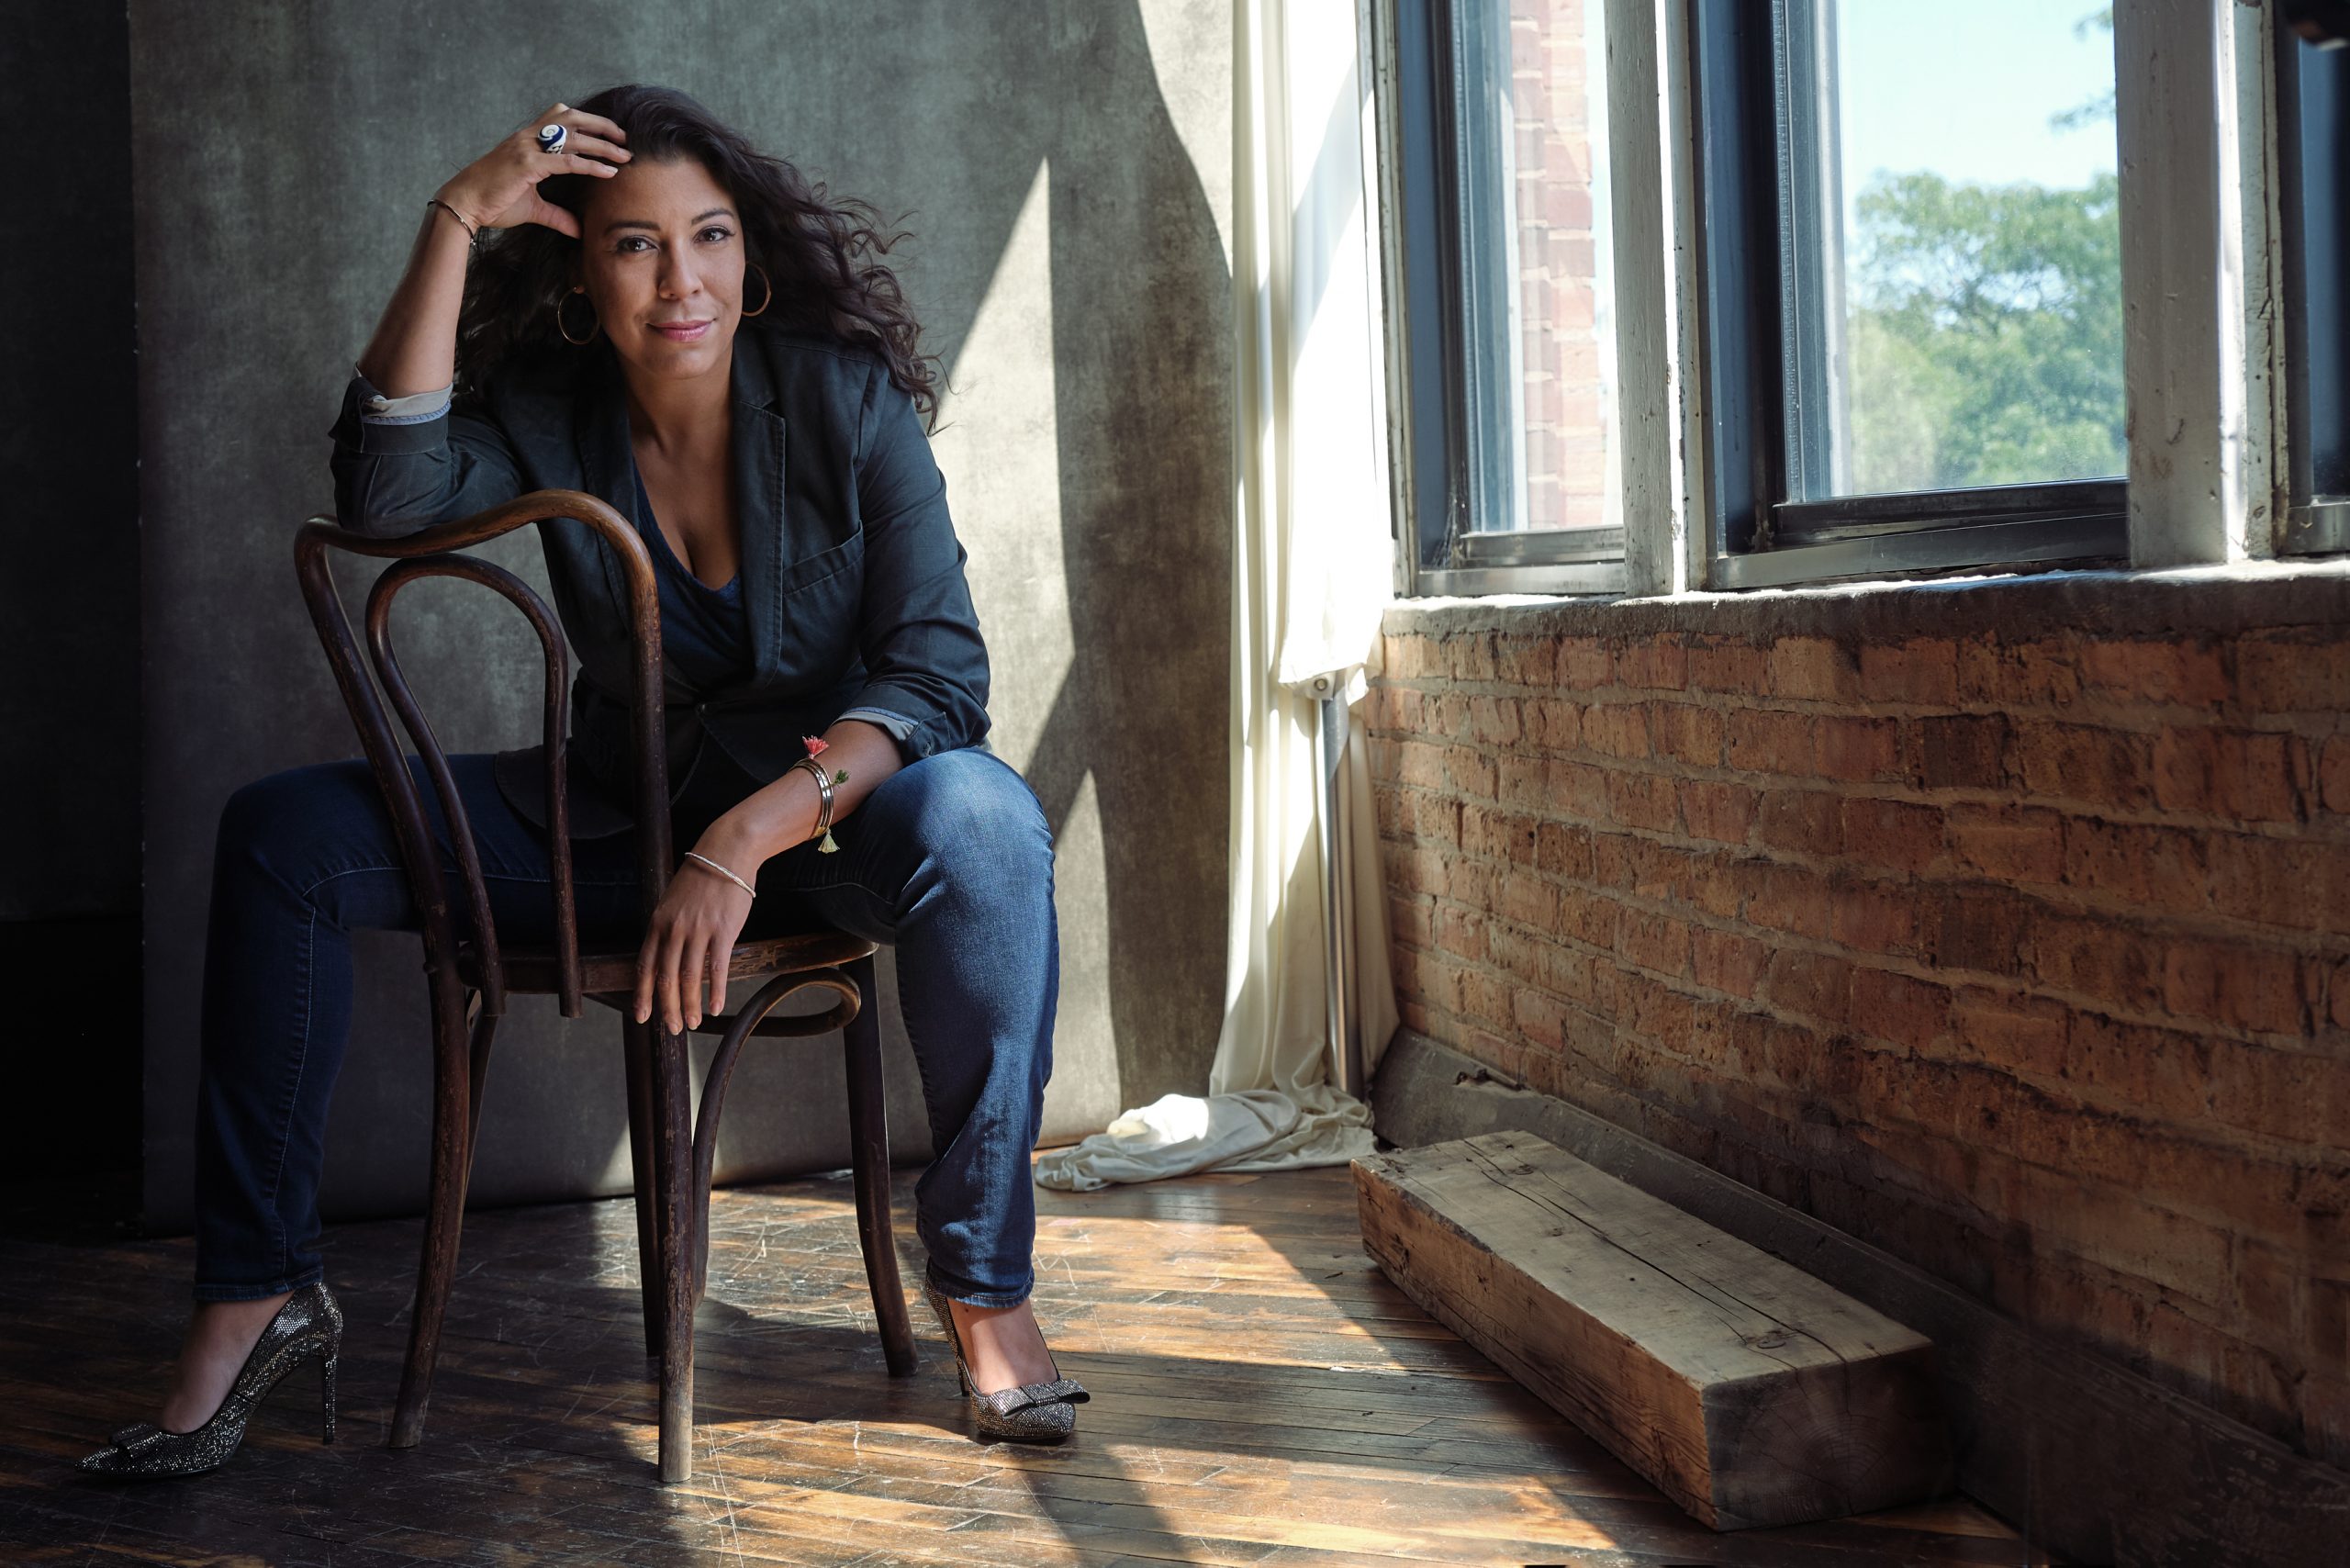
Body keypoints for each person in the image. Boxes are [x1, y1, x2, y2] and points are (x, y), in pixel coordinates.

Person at [79, 84, 1084, 1478]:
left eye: (711, 237)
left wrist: (741, 839)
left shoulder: (843, 401)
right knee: (279, 837)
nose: (684, 280)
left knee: (985, 814)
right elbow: (384, 498)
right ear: (576, 275)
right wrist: (452, 217)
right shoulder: (550, 409)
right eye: (635, 246)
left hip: (824, 831)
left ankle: (984, 1286)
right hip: (617, 818)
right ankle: (256, 1298)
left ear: (755, 258)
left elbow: (935, 679)